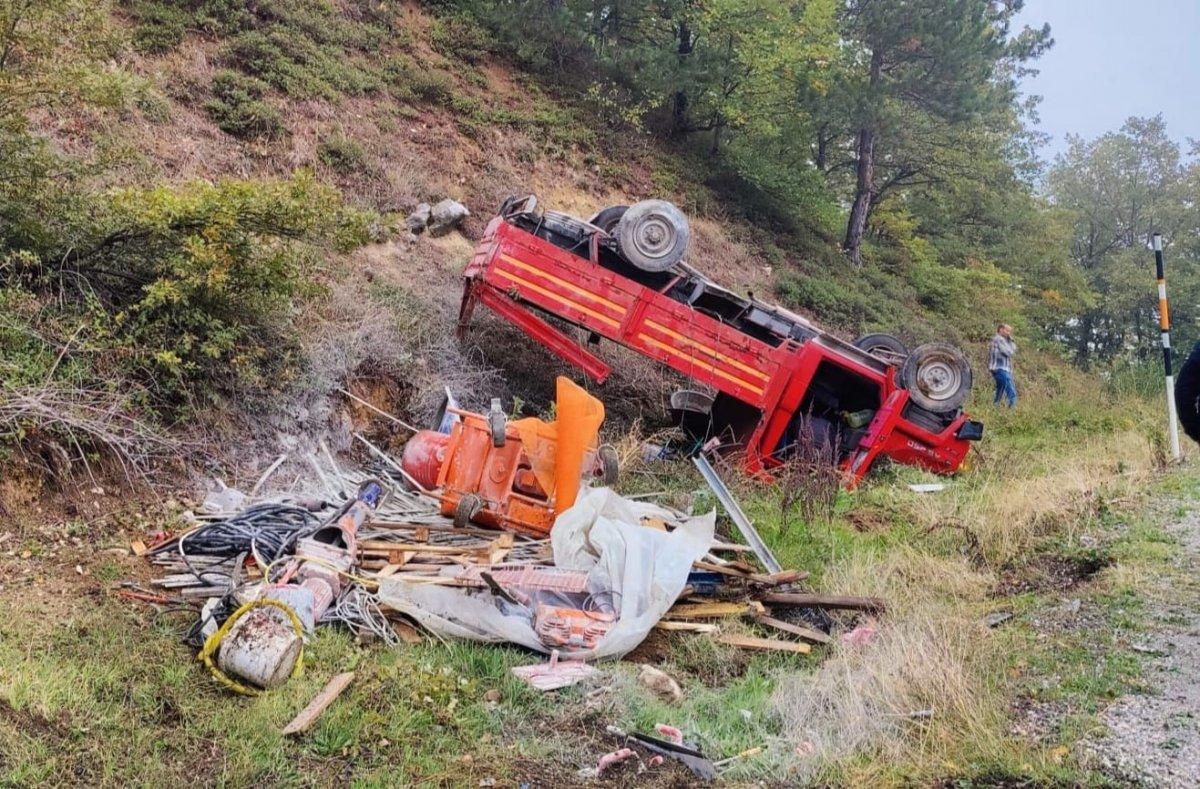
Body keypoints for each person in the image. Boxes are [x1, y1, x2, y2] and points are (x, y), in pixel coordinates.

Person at [988, 323, 1017, 408]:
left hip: (999, 369)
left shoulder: (1004, 341)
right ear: (1001, 329)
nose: (1008, 333)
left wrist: (1010, 342)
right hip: (1000, 369)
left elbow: (1013, 349)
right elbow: (1009, 352)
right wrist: (1011, 342)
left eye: (1010, 331)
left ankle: (994, 410)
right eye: (1007, 330)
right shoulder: (999, 339)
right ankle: (1012, 413)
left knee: (999, 392)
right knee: (1012, 393)